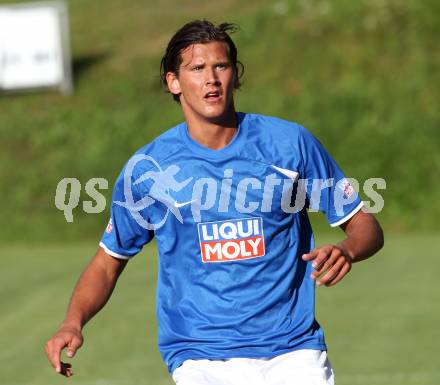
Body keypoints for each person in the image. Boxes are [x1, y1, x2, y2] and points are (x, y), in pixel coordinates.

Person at [45, 20, 384, 385]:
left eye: (220, 66)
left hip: (293, 350)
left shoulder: (290, 145)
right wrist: (72, 322)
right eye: (197, 68)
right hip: (199, 356)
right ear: (173, 82)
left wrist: (348, 250)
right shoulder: (149, 170)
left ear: (235, 75)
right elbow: (108, 262)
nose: (211, 79)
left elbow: (365, 225)